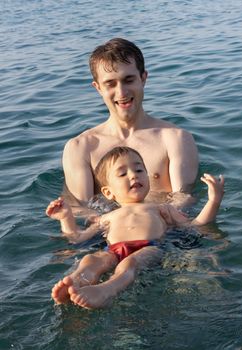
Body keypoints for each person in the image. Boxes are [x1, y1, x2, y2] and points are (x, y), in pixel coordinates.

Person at [46, 147, 224, 310]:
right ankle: (77, 282)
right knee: (91, 259)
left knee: (129, 263)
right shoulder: (106, 217)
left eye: (139, 170)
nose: (133, 175)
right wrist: (66, 218)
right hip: (112, 250)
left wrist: (213, 201)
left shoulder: (162, 208)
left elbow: (196, 226)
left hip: (151, 247)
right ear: (108, 192)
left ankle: (106, 290)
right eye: (122, 174)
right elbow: (77, 238)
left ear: (147, 177)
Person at [62, 38, 198, 207]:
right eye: (110, 84)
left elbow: (183, 200)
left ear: (143, 78)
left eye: (128, 80)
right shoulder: (80, 148)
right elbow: (80, 210)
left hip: (168, 230)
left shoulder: (176, 139)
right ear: (98, 88)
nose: (121, 92)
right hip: (107, 231)